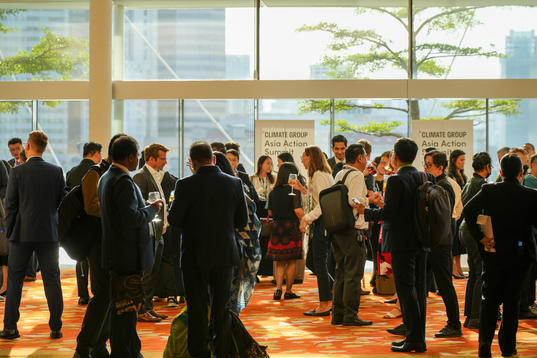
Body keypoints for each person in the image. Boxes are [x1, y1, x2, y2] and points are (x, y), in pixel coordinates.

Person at [168, 141, 248, 358]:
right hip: (225, 254)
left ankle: (199, 352)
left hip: (194, 255)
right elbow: (242, 221)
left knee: (197, 307)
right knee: (221, 308)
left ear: (192, 162)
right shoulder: (234, 183)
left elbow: (173, 219)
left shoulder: (184, 185)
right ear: (214, 159)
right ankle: (222, 352)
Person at [356, 138, 434, 353]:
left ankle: (413, 339)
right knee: (418, 289)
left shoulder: (395, 180)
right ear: (415, 157)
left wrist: (365, 211)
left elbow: (389, 213)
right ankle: (418, 337)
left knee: (406, 290)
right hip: (422, 241)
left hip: (402, 243)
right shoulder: (424, 176)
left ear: (395, 157)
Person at [462, 153, 537, 358]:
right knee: (512, 302)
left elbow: (468, 212)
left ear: (501, 172)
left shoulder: (489, 190)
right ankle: (508, 347)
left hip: (493, 251)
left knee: (490, 300)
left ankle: (484, 346)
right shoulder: (531, 195)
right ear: (522, 173)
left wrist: (480, 238)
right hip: (520, 255)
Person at [98, 135, 162, 357]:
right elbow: (131, 218)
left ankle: (130, 352)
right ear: (130, 157)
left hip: (115, 253)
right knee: (126, 313)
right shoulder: (123, 181)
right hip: (126, 256)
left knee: (122, 312)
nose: (139, 160)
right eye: (137, 156)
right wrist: (152, 209)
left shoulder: (106, 177)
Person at [1, 131, 65, 340]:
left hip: (21, 233)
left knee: (15, 281)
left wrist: (10, 232)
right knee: (52, 280)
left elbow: (10, 205)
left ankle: (10, 327)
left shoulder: (17, 172)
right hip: (48, 233)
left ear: (28, 146)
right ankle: (56, 327)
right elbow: (60, 203)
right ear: (44, 148)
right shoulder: (56, 171)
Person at [73, 134, 123, 358]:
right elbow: (92, 206)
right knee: (102, 295)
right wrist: (119, 210)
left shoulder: (115, 174)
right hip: (98, 243)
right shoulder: (94, 173)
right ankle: (84, 347)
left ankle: (99, 345)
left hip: (111, 243)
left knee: (110, 296)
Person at [331, 144, 373, 326]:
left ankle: (338, 314)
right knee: (353, 274)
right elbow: (353, 200)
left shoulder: (340, 174)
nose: (366, 159)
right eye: (365, 156)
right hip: (353, 230)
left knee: (340, 272)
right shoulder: (356, 175)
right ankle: (350, 314)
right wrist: (368, 200)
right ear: (359, 158)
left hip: (338, 229)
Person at [290, 145, 334, 316]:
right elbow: (317, 198)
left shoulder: (319, 175)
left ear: (311, 157)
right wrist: (303, 190)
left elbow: (322, 204)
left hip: (322, 223)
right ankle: (336, 290)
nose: (302, 160)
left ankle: (325, 303)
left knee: (320, 264)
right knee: (313, 263)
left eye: (304, 156)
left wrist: (305, 218)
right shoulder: (319, 175)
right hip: (320, 223)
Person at [133, 143, 174, 323]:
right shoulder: (141, 176)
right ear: (151, 159)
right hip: (149, 233)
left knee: (154, 273)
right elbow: (140, 205)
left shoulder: (155, 175)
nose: (165, 162)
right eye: (162, 158)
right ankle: (142, 309)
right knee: (147, 274)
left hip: (159, 231)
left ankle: (148, 307)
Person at [423, 151, 463, 338]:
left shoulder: (444, 186)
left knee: (445, 285)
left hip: (440, 242)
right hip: (435, 241)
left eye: (429, 165)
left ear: (441, 167)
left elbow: (442, 217)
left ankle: (454, 324)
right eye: (425, 164)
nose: (425, 168)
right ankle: (411, 323)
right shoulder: (438, 184)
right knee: (422, 283)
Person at [66, 141, 103, 306]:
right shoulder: (97, 172)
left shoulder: (72, 172)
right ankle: (96, 291)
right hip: (94, 221)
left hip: (76, 223)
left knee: (80, 259)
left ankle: (82, 294)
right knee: (94, 260)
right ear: (95, 154)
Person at [459, 152, 492, 330]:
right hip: (474, 232)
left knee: (473, 273)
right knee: (479, 273)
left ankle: (470, 314)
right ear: (487, 167)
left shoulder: (469, 182)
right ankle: (476, 317)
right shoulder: (483, 185)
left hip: (464, 231)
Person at [267, 162, 304, 301]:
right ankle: (288, 291)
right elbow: (298, 210)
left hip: (277, 227)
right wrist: (305, 221)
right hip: (291, 226)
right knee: (292, 261)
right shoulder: (293, 191)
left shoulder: (273, 192)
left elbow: (270, 211)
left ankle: (278, 289)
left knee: (280, 261)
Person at [447, 149, 467, 279]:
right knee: (454, 241)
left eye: (464, 160)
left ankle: (458, 267)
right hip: (454, 212)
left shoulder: (462, 175)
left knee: (459, 242)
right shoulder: (450, 175)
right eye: (461, 160)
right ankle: (454, 268)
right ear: (454, 160)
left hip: (462, 211)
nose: (463, 162)